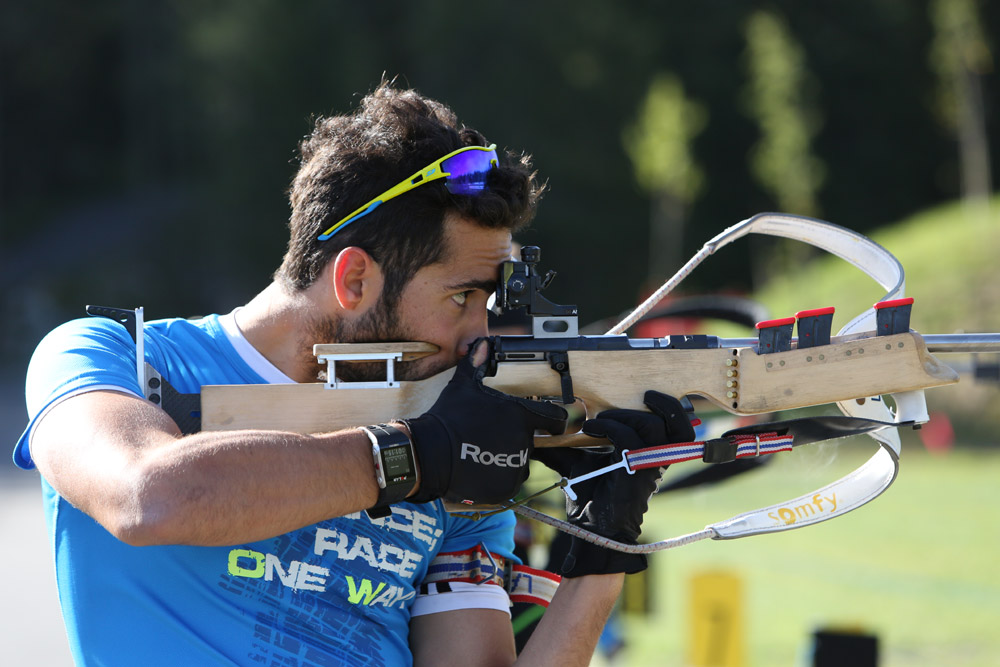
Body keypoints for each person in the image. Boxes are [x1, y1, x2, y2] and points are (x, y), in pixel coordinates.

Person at [13, 81, 692, 666]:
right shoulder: (116, 359)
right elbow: (149, 497)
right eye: (463, 297)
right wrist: (413, 455)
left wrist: (602, 547)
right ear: (356, 277)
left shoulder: (453, 442)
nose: (480, 335)